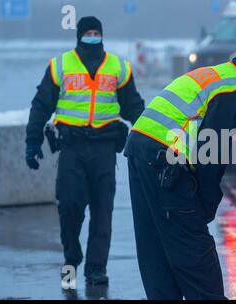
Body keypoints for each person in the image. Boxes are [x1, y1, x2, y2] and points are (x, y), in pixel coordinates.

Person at [124, 38, 236, 299]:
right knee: (193, 248)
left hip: (141, 149)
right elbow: (212, 154)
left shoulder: (219, 75)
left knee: (155, 245)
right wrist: (205, 205)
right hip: (165, 159)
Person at [25, 16, 145, 285]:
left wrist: (153, 135)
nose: (92, 36)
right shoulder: (61, 65)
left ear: (101, 35)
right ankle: (72, 255)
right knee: (69, 206)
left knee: (103, 211)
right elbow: (41, 105)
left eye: (96, 32)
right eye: (88, 32)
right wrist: (32, 142)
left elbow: (133, 107)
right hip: (71, 147)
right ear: (78, 35)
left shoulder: (118, 67)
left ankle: (96, 268)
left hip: (104, 147)